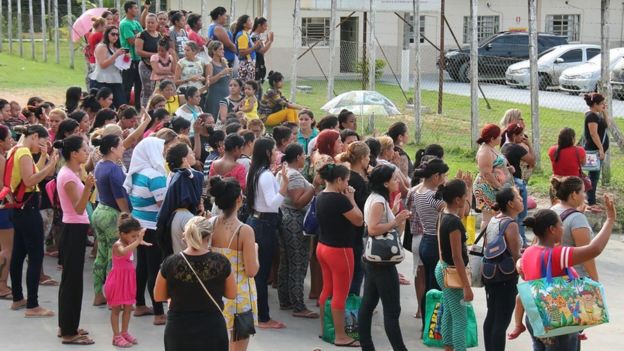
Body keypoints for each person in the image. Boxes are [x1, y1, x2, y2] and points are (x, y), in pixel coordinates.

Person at [521, 199, 615, 351]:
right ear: (552, 229)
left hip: (535, 319)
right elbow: (594, 249)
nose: (563, 228)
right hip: (556, 320)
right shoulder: (557, 254)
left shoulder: (528, 252)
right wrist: (610, 220)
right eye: (561, 225)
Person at [155, 216, 235, 351]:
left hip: (179, 328)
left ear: (186, 235)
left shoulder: (170, 263)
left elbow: (158, 296)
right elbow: (231, 294)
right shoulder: (221, 262)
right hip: (212, 328)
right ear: (209, 235)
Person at [359, 164, 411, 351]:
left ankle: (367, 345)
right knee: (392, 310)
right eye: (395, 179)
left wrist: (395, 215)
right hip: (381, 262)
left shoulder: (377, 198)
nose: (398, 181)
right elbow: (373, 229)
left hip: (376, 259)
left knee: (368, 303)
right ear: (385, 182)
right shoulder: (379, 201)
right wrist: (395, 220)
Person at [8, 125, 59, 316]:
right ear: (35, 136)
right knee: (36, 255)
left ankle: (18, 298)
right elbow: (30, 181)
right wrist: (51, 167)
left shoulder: (15, 150)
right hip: (27, 209)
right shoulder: (24, 153)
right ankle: (32, 305)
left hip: (20, 208)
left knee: (19, 253)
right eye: (42, 142)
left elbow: (29, 175)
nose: (42, 146)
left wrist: (45, 158)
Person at [314, 163, 363, 347]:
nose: (348, 184)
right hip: (340, 250)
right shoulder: (340, 200)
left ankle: (325, 329)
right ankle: (340, 336)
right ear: (339, 180)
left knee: (327, 289)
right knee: (340, 294)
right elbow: (359, 220)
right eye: (347, 181)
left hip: (323, 247)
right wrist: (351, 198)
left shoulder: (321, 196)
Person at [53, 136, 96, 345]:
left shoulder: (73, 171)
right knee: (72, 282)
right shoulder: (68, 177)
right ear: (73, 154)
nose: (87, 151)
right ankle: (69, 332)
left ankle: (67, 325)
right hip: (73, 229)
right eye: (84, 149)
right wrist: (88, 187)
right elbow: (79, 208)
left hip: (75, 228)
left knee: (71, 280)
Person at [209, 177, 259, 351]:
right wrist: (256, 251)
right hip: (240, 294)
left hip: (215, 291)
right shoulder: (245, 231)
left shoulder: (210, 224)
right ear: (239, 199)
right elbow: (252, 270)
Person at [245, 137, 289, 329]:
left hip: (256, 221)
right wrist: (284, 186)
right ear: (267, 153)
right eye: (274, 150)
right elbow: (272, 204)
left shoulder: (256, 172)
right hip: (264, 224)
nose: (277, 153)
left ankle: (257, 313)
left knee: (257, 273)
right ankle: (263, 317)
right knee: (261, 273)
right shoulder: (264, 175)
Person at [123, 137, 168, 325]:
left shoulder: (136, 172)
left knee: (142, 266)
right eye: (161, 149)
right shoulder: (154, 175)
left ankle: (140, 304)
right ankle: (159, 313)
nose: (163, 153)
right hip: (152, 227)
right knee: (154, 269)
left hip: (138, 225)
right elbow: (162, 203)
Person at [277, 144, 320, 318]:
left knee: (287, 262)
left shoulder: (285, 171)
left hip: (286, 218)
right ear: (297, 157)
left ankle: (286, 299)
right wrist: (314, 186)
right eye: (303, 155)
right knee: (298, 262)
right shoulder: (293, 175)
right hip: (293, 220)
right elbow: (298, 201)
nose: (305, 158)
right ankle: (298, 305)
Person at [434, 178, 474, 351]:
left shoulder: (444, 213)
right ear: (457, 200)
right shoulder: (454, 223)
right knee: (460, 319)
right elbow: (457, 256)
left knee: (449, 314)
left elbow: (465, 210)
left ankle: (448, 347)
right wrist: (466, 286)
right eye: (465, 196)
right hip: (452, 273)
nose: (466, 199)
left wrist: (469, 188)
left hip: (442, 268)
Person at [407, 158, 448, 322]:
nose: (445, 179)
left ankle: (426, 323)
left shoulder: (418, 192)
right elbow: (452, 211)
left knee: (429, 284)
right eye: (444, 176)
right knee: (435, 286)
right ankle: (434, 324)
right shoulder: (432, 196)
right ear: (436, 176)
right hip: (434, 241)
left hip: (425, 240)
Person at [482, 187, 523, 351]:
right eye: (518, 198)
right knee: (501, 321)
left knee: (491, 316)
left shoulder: (494, 219)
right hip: (506, 277)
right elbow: (515, 256)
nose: (521, 200)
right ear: (511, 203)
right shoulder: (510, 224)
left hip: (490, 274)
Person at [91, 134, 130, 306]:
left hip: (100, 210)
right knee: (114, 258)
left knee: (102, 254)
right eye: (121, 145)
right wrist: (127, 215)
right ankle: (114, 298)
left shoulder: (100, 164)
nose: (123, 148)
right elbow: (119, 196)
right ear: (113, 149)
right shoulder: (113, 169)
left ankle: (99, 293)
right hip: (112, 214)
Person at [105, 213, 149, 347]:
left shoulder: (130, 242)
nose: (135, 238)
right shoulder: (117, 245)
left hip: (128, 280)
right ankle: (116, 336)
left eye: (136, 235)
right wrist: (138, 241)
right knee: (116, 309)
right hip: (118, 281)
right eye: (133, 236)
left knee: (128, 308)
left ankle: (124, 332)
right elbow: (123, 252)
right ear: (123, 234)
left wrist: (138, 241)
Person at [158, 142, 204, 256]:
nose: (193, 154)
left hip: (175, 218)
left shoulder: (175, 175)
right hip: (184, 218)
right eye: (190, 152)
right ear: (184, 160)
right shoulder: (183, 176)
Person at [338, 141, 370, 296]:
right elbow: (365, 206)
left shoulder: (346, 176)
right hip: (356, 231)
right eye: (368, 156)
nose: (370, 160)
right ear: (363, 158)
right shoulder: (359, 181)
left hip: (343, 229)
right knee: (357, 271)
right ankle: (353, 305)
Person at [474, 124, 513, 230]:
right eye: (499, 136)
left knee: (497, 216)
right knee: (488, 217)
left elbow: (496, 165)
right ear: (492, 138)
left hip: (497, 187)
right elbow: (486, 173)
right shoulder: (484, 151)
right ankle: (487, 242)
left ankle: (495, 239)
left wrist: (507, 169)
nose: (501, 138)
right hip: (487, 188)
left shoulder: (491, 148)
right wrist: (500, 188)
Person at [501, 123, 535, 245]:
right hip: (517, 183)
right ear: (514, 136)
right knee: (521, 215)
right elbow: (532, 161)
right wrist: (528, 145)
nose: (522, 137)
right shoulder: (517, 148)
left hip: (507, 182)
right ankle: (522, 242)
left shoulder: (504, 146)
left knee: (512, 214)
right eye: (520, 134)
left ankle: (514, 240)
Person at [583, 93, 609, 211]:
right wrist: (601, 149)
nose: (604, 104)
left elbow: (607, 125)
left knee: (594, 176)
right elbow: (594, 134)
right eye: (602, 103)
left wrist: (604, 111)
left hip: (598, 150)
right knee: (593, 177)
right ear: (595, 104)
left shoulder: (597, 115)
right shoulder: (591, 117)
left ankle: (590, 197)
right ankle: (591, 201)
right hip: (594, 150)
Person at [90, 26, 126, 108]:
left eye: (117, 35)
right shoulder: (102, 47)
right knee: (102, 106)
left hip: (115, 79)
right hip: (102, 80)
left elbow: (121, 65)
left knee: (122, 105)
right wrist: (116, 55)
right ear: (107, 34)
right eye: (113, 34)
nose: (115, 37)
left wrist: (126, 58)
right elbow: (103, 65)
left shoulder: (116, 47)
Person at [119, 1, 144, 110]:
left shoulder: (136, 23)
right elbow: (131, 41)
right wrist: (140, 40)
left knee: (139, 85)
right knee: (127, 85)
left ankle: (138, 108)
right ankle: (124, 109)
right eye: (135, 8)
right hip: (129, 58)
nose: (137, 10)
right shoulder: (125, 23)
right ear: (128, 9)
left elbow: (143, 37)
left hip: (139, 59)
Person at [0, 125, 15, 300]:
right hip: (4, 208)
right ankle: (2, 285)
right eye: (9, 137)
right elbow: (6, 185)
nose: (11, 140)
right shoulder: (2, 160)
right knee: (7, 250)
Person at [135, 13, 162, 107]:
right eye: (148, 22)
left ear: (157, 23)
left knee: (155, 89)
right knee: (147, 90)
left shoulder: (159, 35)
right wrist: (154, 55)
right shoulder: (141, 35)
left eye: (152, 22)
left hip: (156, 66)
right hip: (145, 65)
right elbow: (138, 51)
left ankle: (152, 108)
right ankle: (144, 111)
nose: (150, 24)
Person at [205, 41, 233, 119]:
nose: (223, 51)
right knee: (214, 117)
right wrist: (221, 73)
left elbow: (229, 80)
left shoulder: (224, 63)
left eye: (223, 49)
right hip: (215, 96)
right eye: (221, 49)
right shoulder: (210, 64)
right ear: (214, 51)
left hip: (226, 94)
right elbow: (209, 82)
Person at [234, 15, 261, 82]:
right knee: (247, 86)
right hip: (246, 64)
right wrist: (255, 46)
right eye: (249, 20)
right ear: (244, 24)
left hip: (248, 63)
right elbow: (242, 52)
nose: (251, 22)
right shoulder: (243, 35)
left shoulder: (245, 34)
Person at [250, 17, 274, 91]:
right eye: (265, 26)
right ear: (259, 25)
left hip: (259, 64)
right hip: (256, 66)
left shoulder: (257, 36)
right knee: (257, 90)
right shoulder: (254, 36)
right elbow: (261, 51)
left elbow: (261, 48)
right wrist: (270, 41)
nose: (266, 28)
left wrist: (267, 41)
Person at [85, 18, 106, 89]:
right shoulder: (99, 35)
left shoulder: (92, 34)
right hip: (96, 60)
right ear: (100, 26)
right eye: (104, 26)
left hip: (92, 59)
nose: (105, 28)